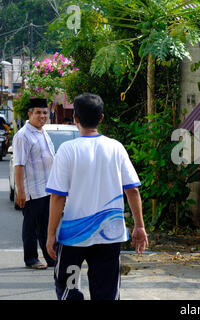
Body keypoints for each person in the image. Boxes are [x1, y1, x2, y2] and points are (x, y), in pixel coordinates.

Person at [45, 93, 148, 300]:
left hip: (73, 237)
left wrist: (50, 234)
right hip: (109, 235)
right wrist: (139, 226)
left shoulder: (67, 150)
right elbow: (133, 190)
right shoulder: (116, 148)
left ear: (75, 118)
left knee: (69, 287)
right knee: (106, 292)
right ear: (101, 118)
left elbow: (57, 197)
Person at [13, 98, 56, 269]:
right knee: (30, 227)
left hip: (46, 190)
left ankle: (51, 258)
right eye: (38, 112)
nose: (42, 116)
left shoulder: (42, 132)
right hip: (32, 191)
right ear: (29, 114)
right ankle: (31, 259)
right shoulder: (23, 135)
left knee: (46, 225)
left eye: (45, 112)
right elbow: (19, 165)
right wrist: (20, 191)